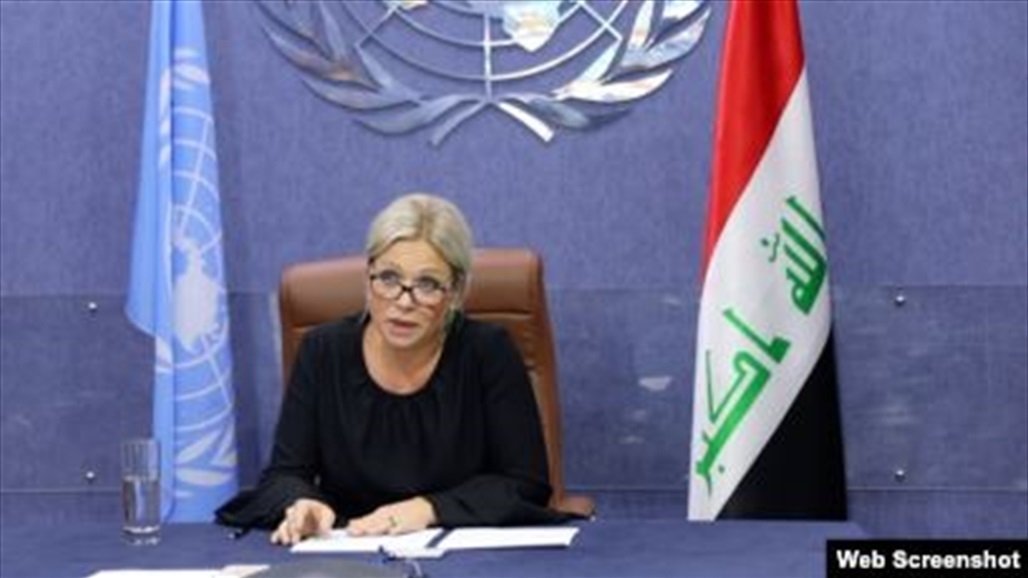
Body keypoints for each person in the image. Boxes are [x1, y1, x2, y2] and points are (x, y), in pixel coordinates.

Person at [216, 193, 565, 545]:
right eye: (388, 278)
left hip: (463, 555)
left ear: (455, 292)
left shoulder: (487, 352)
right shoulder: (323, 352)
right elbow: (283, 476)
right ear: (368, 277)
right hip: (348, 553)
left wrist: (429, 509)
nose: (403, 301)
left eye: (427, 285)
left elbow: (525, 484)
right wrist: (304, 503)